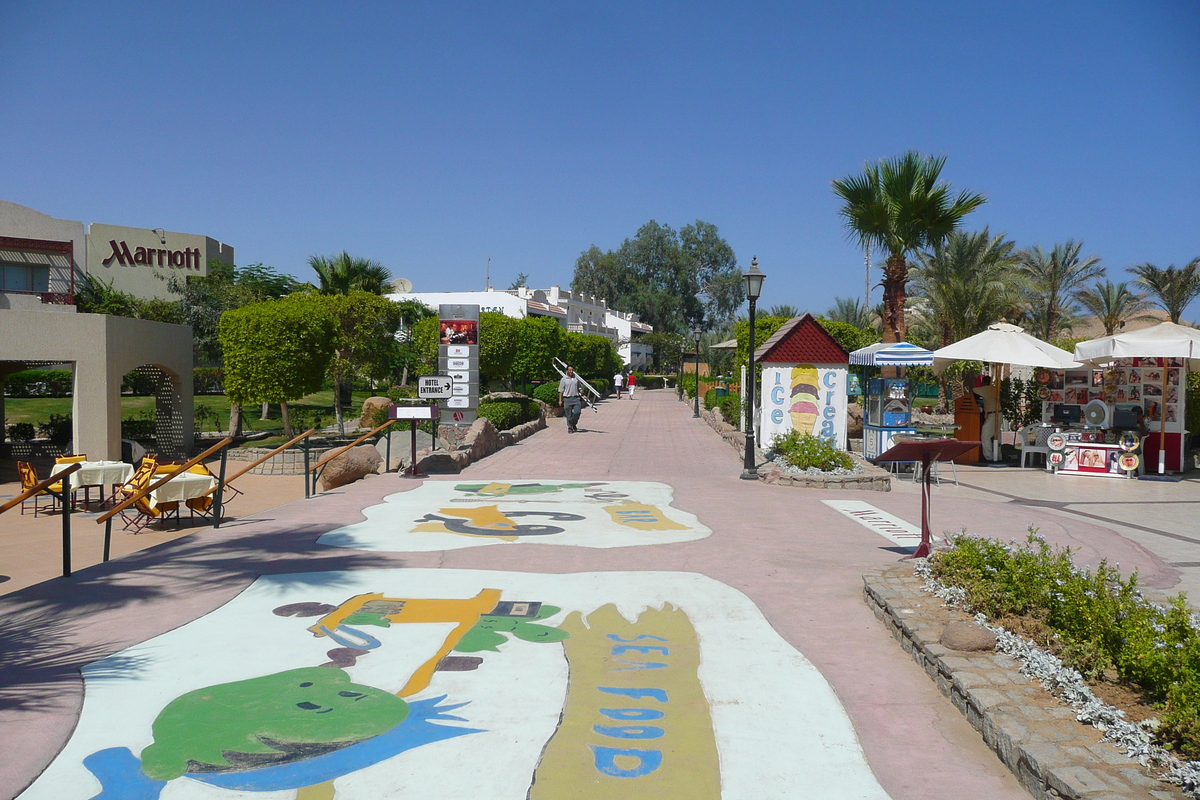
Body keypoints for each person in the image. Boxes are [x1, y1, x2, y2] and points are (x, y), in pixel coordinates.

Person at [558, 365, 583, 433]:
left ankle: (573, 424)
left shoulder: (576, 378)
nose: (571, 371)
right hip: (567, 398)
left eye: (572, 370)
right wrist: (560, 400)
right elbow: (561, 390)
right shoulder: (564, 379)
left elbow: (580, 387)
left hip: (576, 398)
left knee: (577, 412)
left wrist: (581, 391)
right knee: (568, 415)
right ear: (567, 371)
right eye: (570, 370)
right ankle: (570, 427)